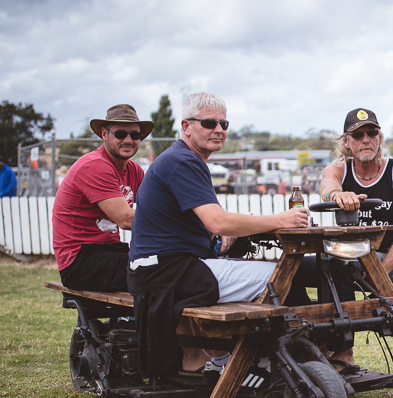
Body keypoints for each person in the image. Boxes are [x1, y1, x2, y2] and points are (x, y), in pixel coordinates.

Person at [127, 92, 308, 377]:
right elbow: (218, 222)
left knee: (276, 274)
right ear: (186, 126)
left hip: (161, 270)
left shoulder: (182, 158)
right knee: (285, 277)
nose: (219, 130)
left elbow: (206, 226)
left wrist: (218, 238)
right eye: (209, 122)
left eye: (224, 124)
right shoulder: (182, 161)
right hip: (168, 273)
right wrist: (281, 219)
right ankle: (289, 364)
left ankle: (240, 359)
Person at [289, 108, 393, 372]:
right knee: (289, 269)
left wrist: (379, 273)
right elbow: (327, 185)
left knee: (337, 264)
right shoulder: (338, 170)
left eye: (371, 133)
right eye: (358, 135)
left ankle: (343, 351)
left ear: (380, 138)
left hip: (388, 262)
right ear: (347, 141)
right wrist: (338, 196)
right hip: (343, 261)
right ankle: (306, 341)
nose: (365, 139)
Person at [52, 104, 153, 292]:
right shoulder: (94, 165)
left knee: (170, 261)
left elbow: (159, 205)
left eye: (135, 135)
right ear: (104, 135)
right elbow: (124, 219)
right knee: (163, 270)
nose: (129, 140)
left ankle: (134, 321)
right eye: (121, 134)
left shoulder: (134, 170)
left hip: (110, 252)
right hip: (79, 261)